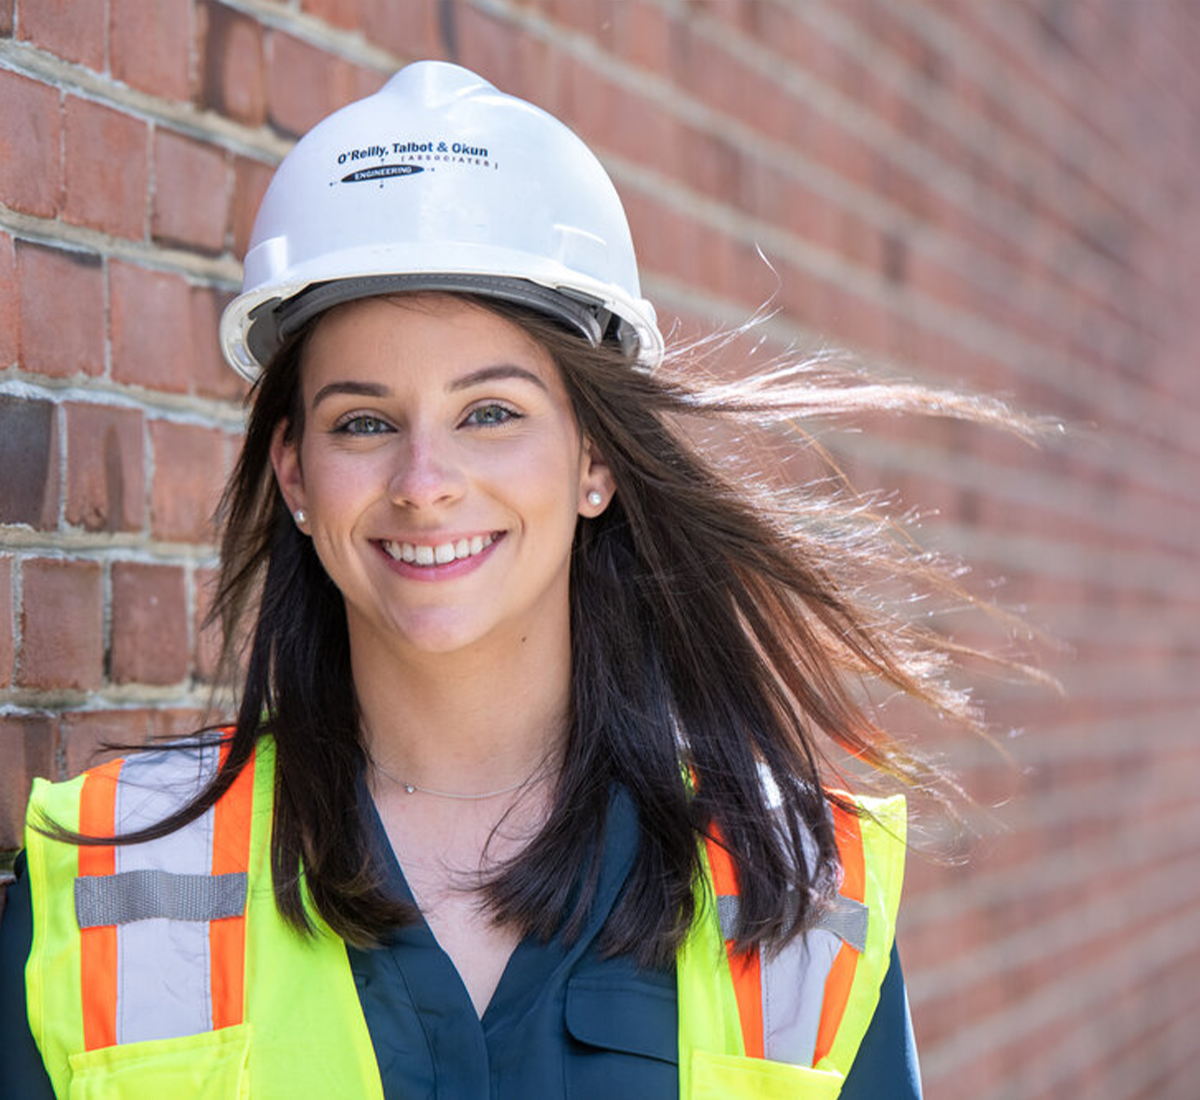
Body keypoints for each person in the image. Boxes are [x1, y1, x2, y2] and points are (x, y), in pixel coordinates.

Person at [0, 58, 1018, 1098]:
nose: (425, 483)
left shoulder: (795, 891)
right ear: (296, 473)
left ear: (595, 461)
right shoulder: (110, 883)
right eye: (364, 420)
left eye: (490, 412)